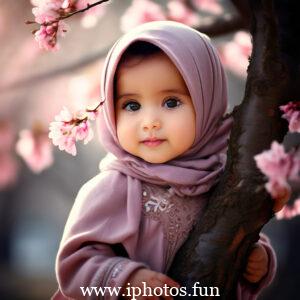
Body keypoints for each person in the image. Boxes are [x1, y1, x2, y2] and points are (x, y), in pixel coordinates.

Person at [52, 21, 278, 300]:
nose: (149, 123)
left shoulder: (223, 180)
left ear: (206, 101)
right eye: (132, 105)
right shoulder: (113, 187)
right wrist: (126, 280)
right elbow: (75, 265)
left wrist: (256, 259)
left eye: (171, 102)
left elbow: (236, 230)